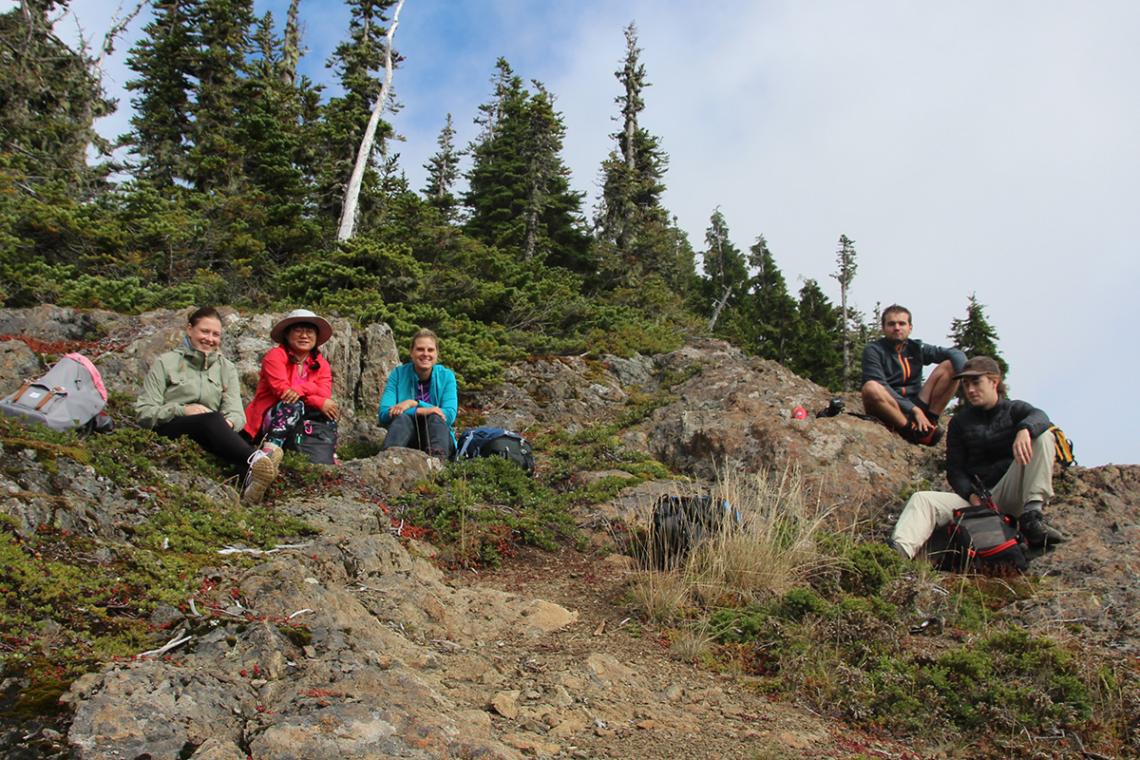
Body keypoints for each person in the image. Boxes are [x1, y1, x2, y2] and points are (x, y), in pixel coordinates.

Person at [889, 356, 1066, 560]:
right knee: (923, 499)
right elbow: (955, 471)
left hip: (1013, 492)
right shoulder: (959, 423)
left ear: (994, 381)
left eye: (976, 382)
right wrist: (972, 496)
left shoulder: (1014, 409)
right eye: (966, 384)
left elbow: (1040, 417)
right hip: (977, 500)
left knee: (1043, 435)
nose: (970, 389)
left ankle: (1032, 517)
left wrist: (1024, 430)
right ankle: (897, 556)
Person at [136, 306, 278, 504]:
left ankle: (250, 481)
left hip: (211, 429)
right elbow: (144, 412)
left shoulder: (226, 368)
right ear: (189, 329)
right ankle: (257, 459)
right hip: (172, 425)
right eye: (204, 331)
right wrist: (183, 410)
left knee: (221, 426)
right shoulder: (165, 363)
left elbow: (237, 413)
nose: (209, 339)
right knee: (211, 420)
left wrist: (227, 424)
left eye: (215, 334)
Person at [861, 304, 967, 446]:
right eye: (891, 324)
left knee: (949, 365)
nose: (897, 328)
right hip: (891, 405)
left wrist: (965, 375)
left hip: (916, 401)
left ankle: (930, 422)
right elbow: (880, 383)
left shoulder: (916, 347)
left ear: (910, 328)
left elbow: (955, 353)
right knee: (871, 387)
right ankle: (910, 431)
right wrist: (914, 410)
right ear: (884, 328)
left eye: (902, 323)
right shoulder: (874, 350)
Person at [243, 309, 338, 461]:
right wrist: (314, 394)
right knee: (294, 405)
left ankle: (326, 454)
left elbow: (324, 393)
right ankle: (269, 453)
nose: (304, 335)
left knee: (328, 410)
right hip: (270, 417)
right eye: (298, 330)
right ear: (287, 335)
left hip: (300, 417)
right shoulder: (275, 356)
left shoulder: (321, 364)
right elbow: (283, 392)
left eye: (309, 331)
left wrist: (302, 390)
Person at [378, 329, 457, 458]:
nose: (425, 354)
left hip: (438, 438)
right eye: (420, 349)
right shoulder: (398, 374)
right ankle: (388, 463)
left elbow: (449, 414)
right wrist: (420, 411)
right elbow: (384, 414)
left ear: (436, 353)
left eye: (430, 350)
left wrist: (413, 404)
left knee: (435, 419)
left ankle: (439, 467)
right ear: (411, 352)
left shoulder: (447, 376)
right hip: (407, 438)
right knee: (402, 419)